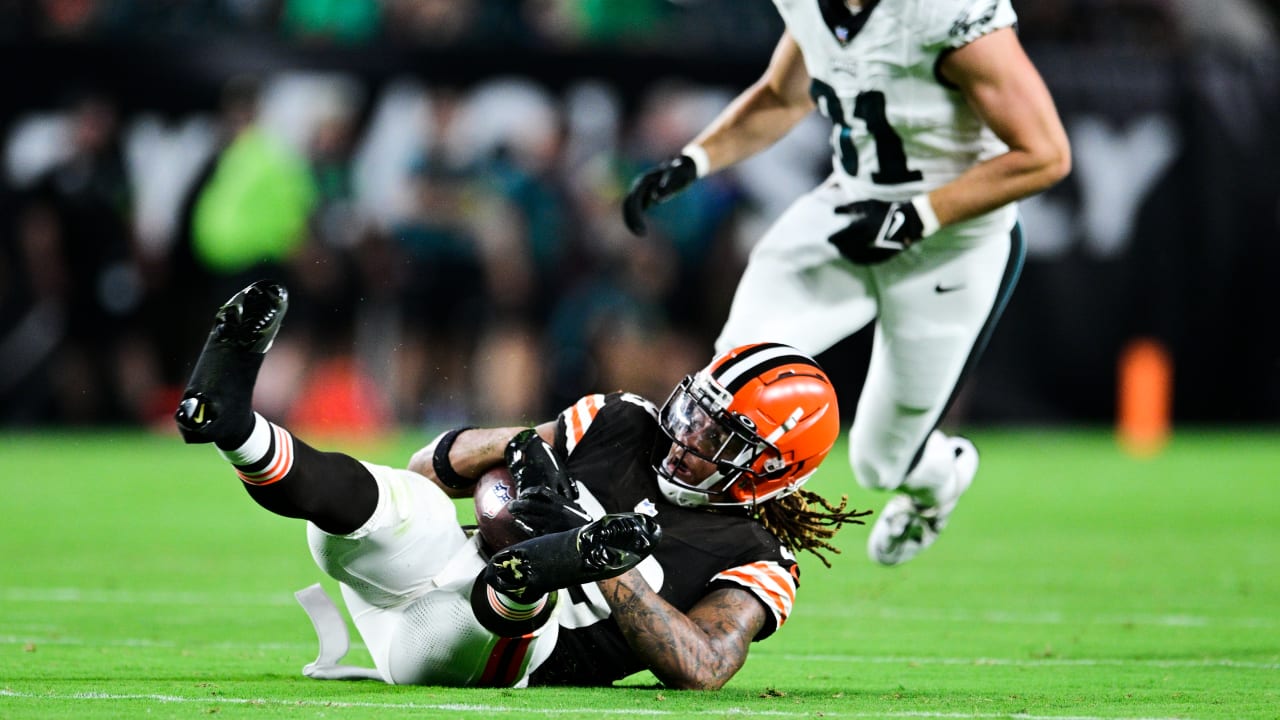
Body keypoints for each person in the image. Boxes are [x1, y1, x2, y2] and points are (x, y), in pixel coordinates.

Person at [174, 280, 868, 689]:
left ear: (774, 466)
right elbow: (426, 470)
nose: (687, 436)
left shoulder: (759, 558)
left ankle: (544, 566)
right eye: (694, 411)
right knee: (399, 503)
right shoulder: (621, 419)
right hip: (441, 563)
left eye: (719, 437)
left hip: (473, 645)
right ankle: (236, 426)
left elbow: (705, 666)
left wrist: (610, 574)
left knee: (521, 597)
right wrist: (514, 445)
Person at [623, 0, 1071, 566]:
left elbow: (1045, 154)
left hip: (951, 243)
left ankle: (939, 478)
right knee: (729, 383)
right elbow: (782, 95)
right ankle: (701, 549)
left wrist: (918, 215)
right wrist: (693, 161)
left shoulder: (943, 11)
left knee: (881, 462)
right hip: (850, 210)